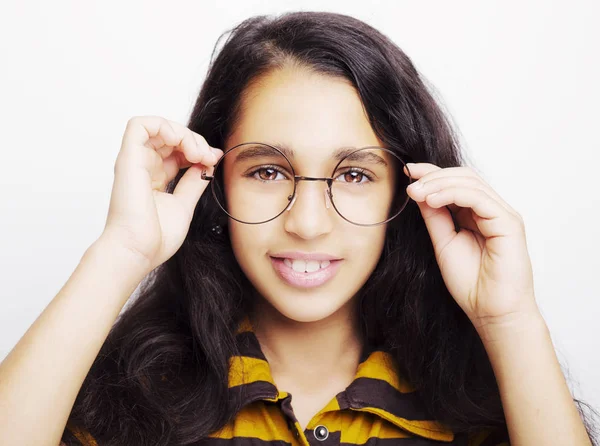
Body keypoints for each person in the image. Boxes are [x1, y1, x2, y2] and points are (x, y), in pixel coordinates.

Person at [0, 10, 597, 446]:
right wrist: (122, 251)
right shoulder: (129, 404)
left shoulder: (486, 416)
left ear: (409, 191)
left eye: (355, 175)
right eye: (267, 170)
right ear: (215, 181)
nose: (307, 223)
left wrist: (509, 319)